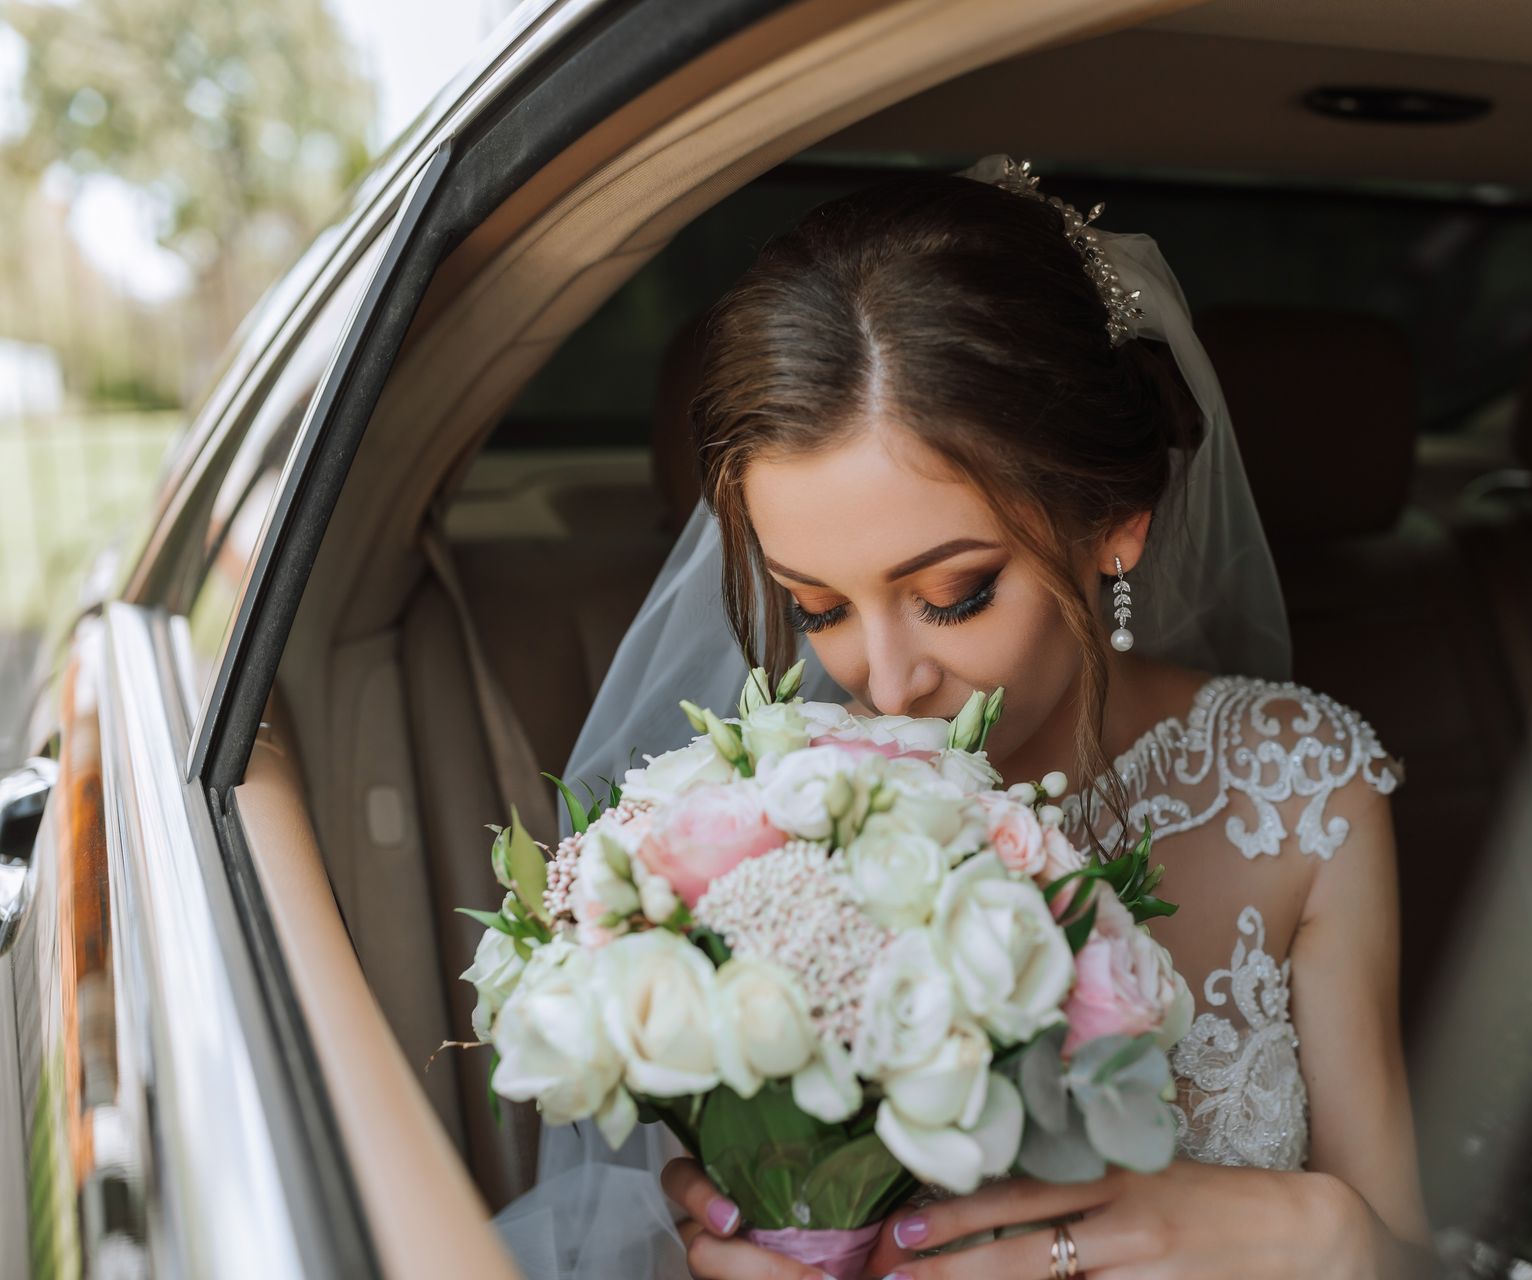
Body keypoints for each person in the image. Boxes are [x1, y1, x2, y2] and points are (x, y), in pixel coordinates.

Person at [494, 154, 1434, 1279]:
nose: (884, 687)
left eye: (954, 594)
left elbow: (1401, 1249)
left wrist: (1326, 1235)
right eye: (818, 607)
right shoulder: (739, 835)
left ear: (1114, 522)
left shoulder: (1298, 790)